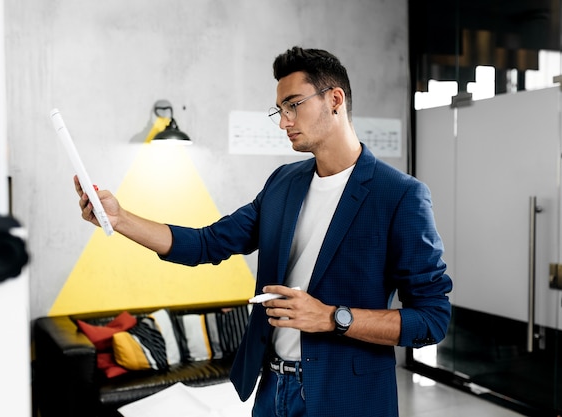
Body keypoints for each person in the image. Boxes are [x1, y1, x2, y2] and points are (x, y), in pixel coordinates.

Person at [75, 46, 452, 417]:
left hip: (346, 397)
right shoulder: (282, 183)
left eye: (293, 105)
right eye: (280, 110)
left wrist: (333, 317)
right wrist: (121, 218)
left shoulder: (400, 195)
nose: (284, 121)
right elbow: (206, 244)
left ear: (335, 99)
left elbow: (432, 319)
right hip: (273, 391)